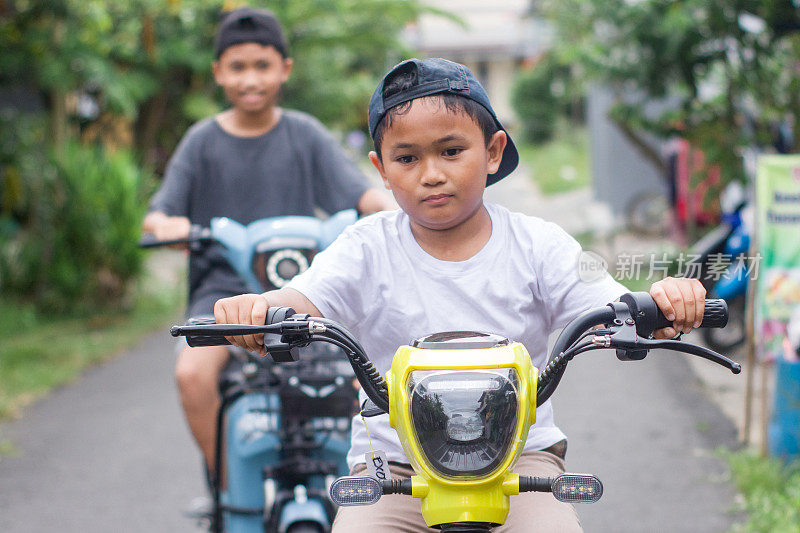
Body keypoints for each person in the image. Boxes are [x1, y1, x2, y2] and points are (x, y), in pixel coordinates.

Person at [212, 58, 708, 531]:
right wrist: (260, 309)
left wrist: (662, 304)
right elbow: (304, 300)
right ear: (380, 168)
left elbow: (614, 306)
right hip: (394, 467)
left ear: (493, 151)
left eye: (451, 151)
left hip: (519, 460)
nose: (431, 173)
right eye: (406, 158)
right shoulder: (364, 248)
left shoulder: (541, 244)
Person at [142, 7, 395, 479]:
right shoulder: (201, 142)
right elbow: (160, 212)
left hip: (300, 292)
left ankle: (361, 482)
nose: (250, 78)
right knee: (192, 375)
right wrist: (166, 226)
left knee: (372, 369)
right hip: (219, 295)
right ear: (218, 72)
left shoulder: (306, 135)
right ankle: (231, 488)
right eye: (237, 67)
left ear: (285, 69)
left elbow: (362, 193)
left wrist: (392, 209)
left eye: (262, 65)